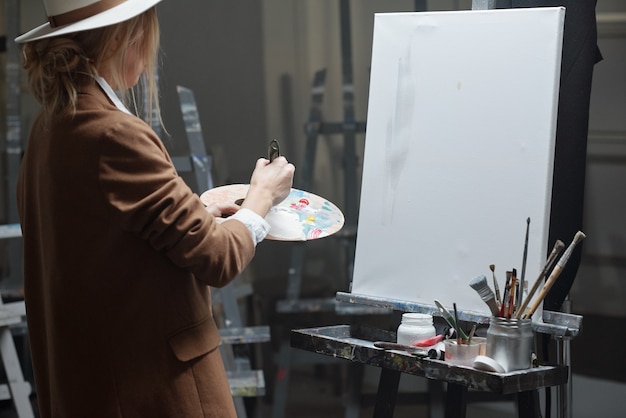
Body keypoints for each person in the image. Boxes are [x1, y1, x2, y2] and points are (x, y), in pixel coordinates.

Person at [15, 1, 294, 417]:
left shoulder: (51, 126)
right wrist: (262, 196)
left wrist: (192, 214)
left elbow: (104, 243)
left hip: (96, 387)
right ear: (123, 37)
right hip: (154, 391)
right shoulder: (114, 134)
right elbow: (219, 260)